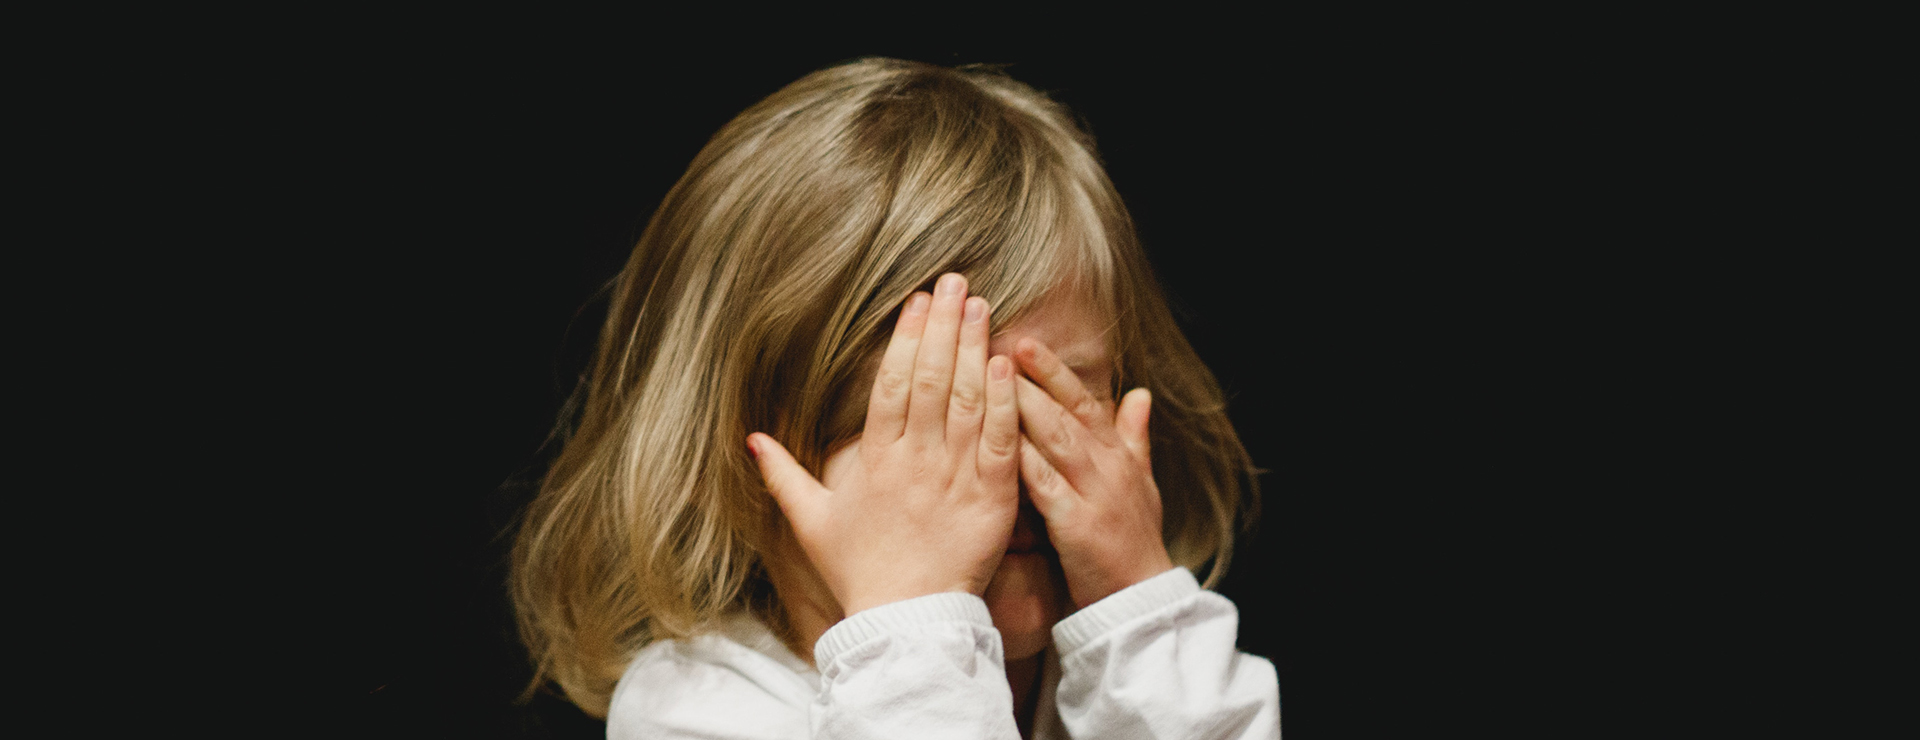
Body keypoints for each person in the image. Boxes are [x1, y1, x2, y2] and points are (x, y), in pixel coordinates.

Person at [510, 57, 1280, 739]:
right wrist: (914, 627)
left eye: (1058, 401)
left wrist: (1143, 628)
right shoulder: (695, 708)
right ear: (748, 450)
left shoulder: (1133, 672)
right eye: (937, 416)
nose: (1006, 463)